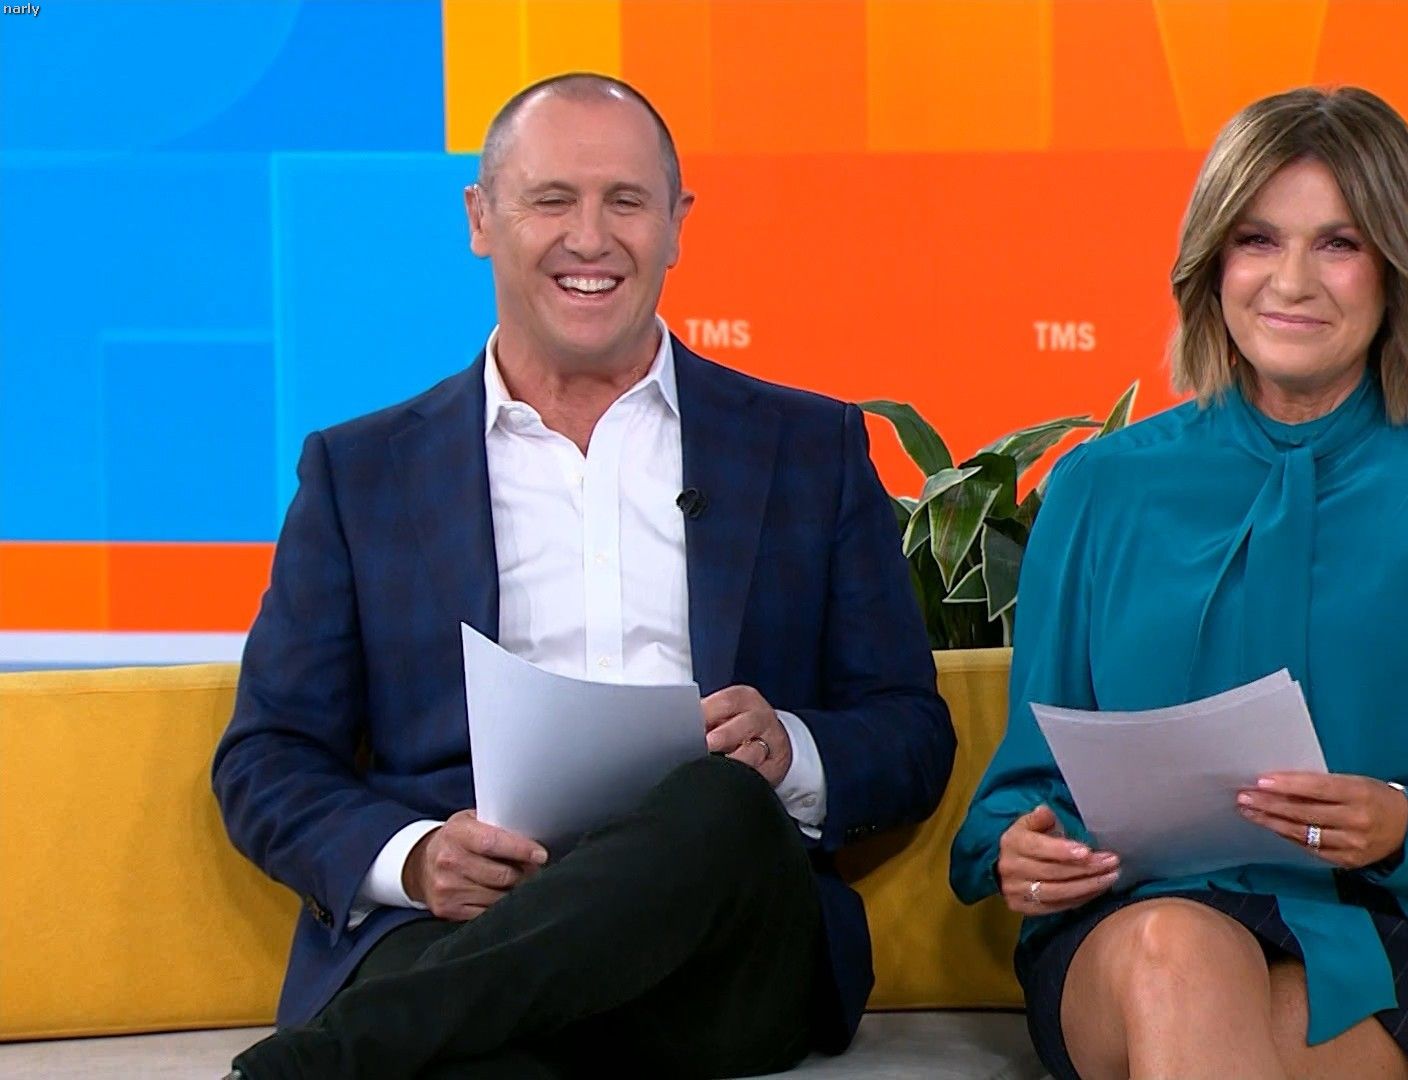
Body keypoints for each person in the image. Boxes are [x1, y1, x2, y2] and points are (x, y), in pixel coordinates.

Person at [213, 72, 954, 1080]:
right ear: (481, 219)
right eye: (552, 200)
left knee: (718, 805)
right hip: (465, 921)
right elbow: (268, 756)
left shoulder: (807, 448)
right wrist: (417, 857)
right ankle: (413, 1036)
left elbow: (910, 731)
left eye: (626, 201)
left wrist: (792, 751)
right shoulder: (362, 473)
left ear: (678, 224)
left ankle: (336, 1059)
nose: (591, 239)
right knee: (487, 1046)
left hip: (723, 939)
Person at [949, 86, 1408, 1080]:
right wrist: (1022, 849)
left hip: (1400, 937)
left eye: (1339, 244)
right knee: (1178, 951)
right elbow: (1023, 790)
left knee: (1197, 1005)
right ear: (1213, 263)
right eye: (1257, 239)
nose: (1291, 281)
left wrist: (1403, 826)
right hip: (1134, 929)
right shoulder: (1098, 489)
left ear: (1399, 269)